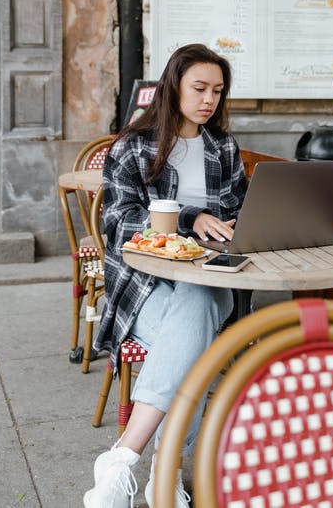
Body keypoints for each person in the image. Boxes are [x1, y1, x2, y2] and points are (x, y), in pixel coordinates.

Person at [83, 43, 247, 508]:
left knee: (196, 305)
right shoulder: (135, 144)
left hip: (213, 279)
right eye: (198, 88)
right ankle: (163, 472)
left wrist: (237, 225)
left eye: (217, 90)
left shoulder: (223, 147)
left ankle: (121, 461)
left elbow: (240, 210)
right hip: (145, 285)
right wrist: (189, 217)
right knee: (194, 344)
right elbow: (118, 222)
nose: (208, 99)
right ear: (172, 86)